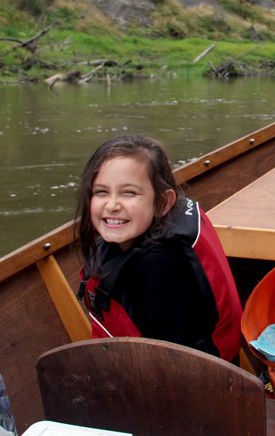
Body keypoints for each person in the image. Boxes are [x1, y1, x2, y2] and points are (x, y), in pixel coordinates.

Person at [75, 135, 242, 361]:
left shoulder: (161, 266)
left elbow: (170, 365)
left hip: (192, 385)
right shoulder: (134, 235)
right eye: (101, 192)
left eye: (129, 193)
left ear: (163, 203)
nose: (112, 205)